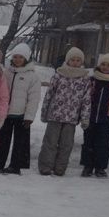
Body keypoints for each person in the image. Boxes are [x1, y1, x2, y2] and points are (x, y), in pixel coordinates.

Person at [37, 47, 89, 176]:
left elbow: (86, 100)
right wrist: (44, 112)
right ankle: (45, 166)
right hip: (55, 115)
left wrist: (85, 117)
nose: (75, 62)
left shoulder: (84, 79)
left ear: (81, 62)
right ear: (67, 60)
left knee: (66, 145)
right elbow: (49, 94)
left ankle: (60, 167)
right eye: (72, 59)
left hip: (71, 118)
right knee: (50, 142)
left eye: (78, 60)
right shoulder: (58, 75)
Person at [0, 43, 40, 174]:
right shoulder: (6, 73)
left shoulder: (32, 76)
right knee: (2, 141)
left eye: (21, 57)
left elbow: (34, 98)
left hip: (22, 115)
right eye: (15, 57)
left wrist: (29, 116)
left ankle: (15, 166)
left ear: (26, 58)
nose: (17, 59)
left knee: (20, 143)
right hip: (6, 114)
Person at [80, 53, 109, 178]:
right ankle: (87, 166)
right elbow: (85, 97)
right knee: (88, 142)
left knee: (103, 144)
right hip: (91, 117)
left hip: (106, 119)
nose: (105, 67)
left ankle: (100, 167)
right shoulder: (92, 80)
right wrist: (82, 113)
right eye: (103, 64)